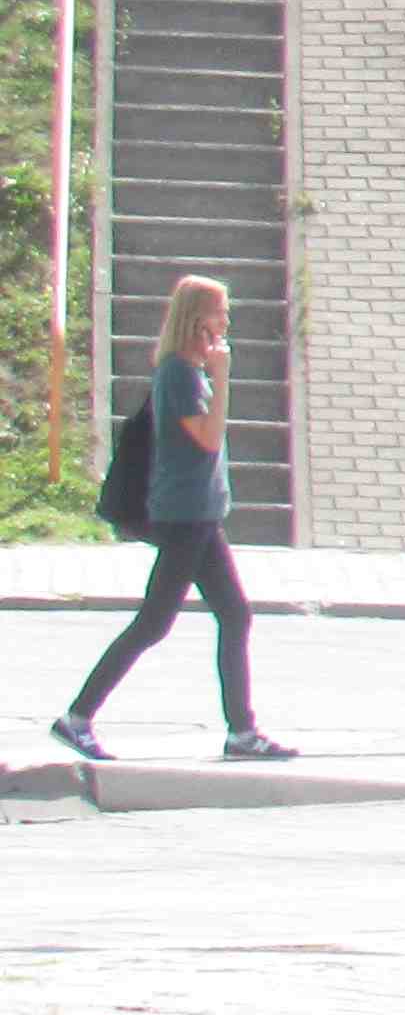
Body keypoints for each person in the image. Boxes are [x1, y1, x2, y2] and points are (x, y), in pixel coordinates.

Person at [48, 274, 291, 764]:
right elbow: (207, 437)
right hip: (185, 517)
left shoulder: (190, 371)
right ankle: (77, 718)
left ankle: (242, 732)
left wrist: (214, 374)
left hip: (201, 516)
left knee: (234, 615)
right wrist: (223, 378)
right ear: (198, 318)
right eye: (221, 311)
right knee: (154, 623)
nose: (227, 320)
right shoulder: (179, 374)